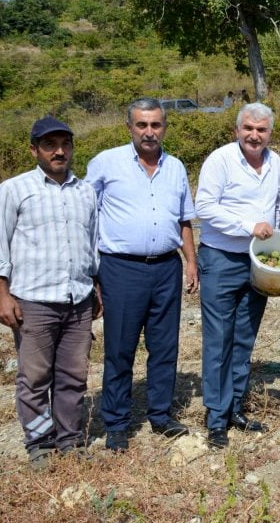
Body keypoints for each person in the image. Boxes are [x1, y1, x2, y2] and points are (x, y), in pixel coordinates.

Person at [86, 97, 199, 451]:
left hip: (167, 267)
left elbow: (184, 219)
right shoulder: (106, 163)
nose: (149, 132)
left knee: (165, 346)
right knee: (120, 348)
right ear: (129, 127)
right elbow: (86, 216)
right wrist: (92, 273)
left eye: (155, 125)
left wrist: (191, 262)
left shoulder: (176, 167)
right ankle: (117, 423)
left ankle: (161, 415)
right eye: (142, 125)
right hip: (121, 268)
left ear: (164, 126)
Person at [0, 117, 101, 468]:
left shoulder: (85, 191)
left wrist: (95, 285)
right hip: (34, 301)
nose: (59, 151)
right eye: (50, 145)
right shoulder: (13, 190)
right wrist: (1, 295)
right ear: (34, 149)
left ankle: (70, 439)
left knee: (73, 375)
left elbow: (92, 244)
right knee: (35, 377)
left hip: (78, 299)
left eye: (65, 144)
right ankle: (40, 442)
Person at [195, 103, 280, 448]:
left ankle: (234, 408)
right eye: (248, 128)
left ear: (270, 133)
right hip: (221, 258)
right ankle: (216, 417)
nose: (254, 135)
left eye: (261, 130)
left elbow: (276, 205)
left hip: (258, 260)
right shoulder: (220, 160)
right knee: (218, 338)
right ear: (237, 130)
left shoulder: (274, 162)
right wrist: (250, 226)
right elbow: (204, 207)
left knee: (244, 337)